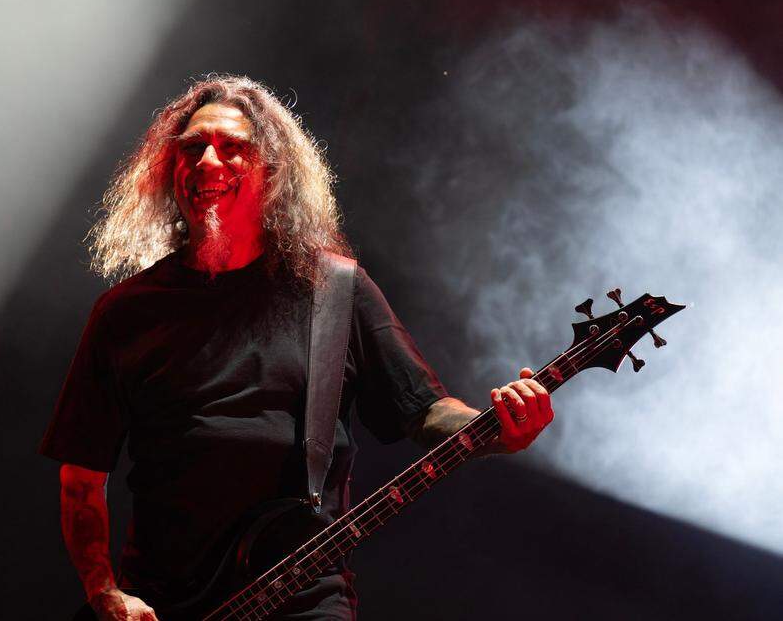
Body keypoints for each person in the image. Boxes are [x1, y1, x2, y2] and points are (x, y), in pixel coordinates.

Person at [40, 75, 553, 620]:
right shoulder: (126, 312)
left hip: (301, 597)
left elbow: (425, 411)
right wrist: (103, 591)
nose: (208, 162)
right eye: (192, 148)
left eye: (233, 147)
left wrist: (500, 427)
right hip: (166, 604)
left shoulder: (334, 292)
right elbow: (80, 480)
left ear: (273, 172)